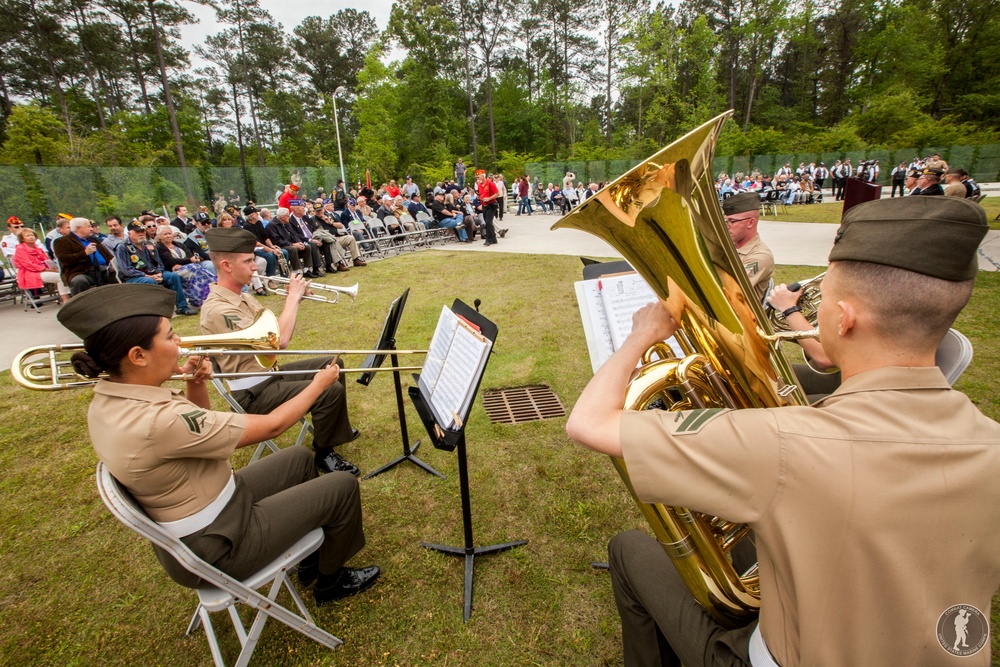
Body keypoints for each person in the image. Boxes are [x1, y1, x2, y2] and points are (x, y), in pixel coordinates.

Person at [565, 196, 1000, 666]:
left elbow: (588, 424)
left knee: (629, 549)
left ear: (843, 318)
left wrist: (640, 336)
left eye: (824, 298)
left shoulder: (784, 442)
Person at [57, 283, 379, 604]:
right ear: (138, 356)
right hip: (220, 543)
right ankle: (330, 581)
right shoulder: (158, 420)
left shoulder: (111, 399)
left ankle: (312, 560)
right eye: (169, 336)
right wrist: (319, 385)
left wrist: (195, 385)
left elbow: (192, 434)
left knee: (298, 458)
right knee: (342, 487)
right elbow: (272, 426)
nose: (179, 341)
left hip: (210, 513)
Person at [201, 228, 361, 476]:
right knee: (329, 389)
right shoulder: (219, 310)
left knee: (333, 364)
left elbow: (272, 330)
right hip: (252, 391)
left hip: (269, 375)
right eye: (248, 261)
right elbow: (280, 341)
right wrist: (292, 298)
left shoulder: (242, 297)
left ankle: (333, 430)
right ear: (226, 265)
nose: (255, 267)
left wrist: (296, 299)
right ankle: (324, 452)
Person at [114, 221, 197, 315]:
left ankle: (182, 307)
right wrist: (147, 276)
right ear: (129, 233)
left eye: (143, 231)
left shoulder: (149, 244)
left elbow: (159, 263)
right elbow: (127, 270)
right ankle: (156, 311)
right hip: (134, 277)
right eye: (137, 232)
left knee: (173, 276)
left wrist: (159, 273)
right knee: (150, 282)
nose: (141, 234)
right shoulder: (123, 247)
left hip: (153, 273)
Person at [722, 192, 773, 303]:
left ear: (750, 223)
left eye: (732, 221)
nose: (726, 226)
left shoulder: (760, 256)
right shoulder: (727, 247)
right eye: (725, 221)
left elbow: (730, 290)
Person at [155, 225, 215, 308]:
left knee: (196, 270)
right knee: (195, 268)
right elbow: (170, 261)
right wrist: (189, 261)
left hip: (187, 268)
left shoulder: (179, 244)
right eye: (165, 234)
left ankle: (206, 298)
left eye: (169, 233)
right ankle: (214, 284)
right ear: (159, 236)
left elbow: (190, 255)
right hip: (173, 271)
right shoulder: (159, 247)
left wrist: (183, 263)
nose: (168, 235)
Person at [54, 217, 115, 296]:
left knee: (119, 275)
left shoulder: (93, 239)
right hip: (82, 272)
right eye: (88, 226)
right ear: (79, 228)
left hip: (103, 270)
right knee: (79, 281)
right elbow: (64, 259)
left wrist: (113, 264)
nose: (91, 229)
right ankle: (82, 306)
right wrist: (85, 253)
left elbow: (108, 255)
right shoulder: (62, 241)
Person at [13, 227, 69, 304]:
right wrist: (48, 270)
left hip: (42, 270)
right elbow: (29, 265)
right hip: (30, 273)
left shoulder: (37, 248)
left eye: (32, 235)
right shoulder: (20, 249)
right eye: (28, 235)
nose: (31, 237)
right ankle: (66, 299)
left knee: (67, 272)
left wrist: (53, 267)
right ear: (22, 239)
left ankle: (69, 295)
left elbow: (46, 260)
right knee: (60, 277)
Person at [475, 169, 500, 246]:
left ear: (483, 176)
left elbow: (497, 193)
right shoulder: (479, 185)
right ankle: (493, 238)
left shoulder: (490, 184)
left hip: (491, 204)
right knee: (488, 222)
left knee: (488, 222)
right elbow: (480, 194)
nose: (477, 178)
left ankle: (488, 239)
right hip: (484, 205)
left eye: (479, 176)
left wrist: (489, 198)